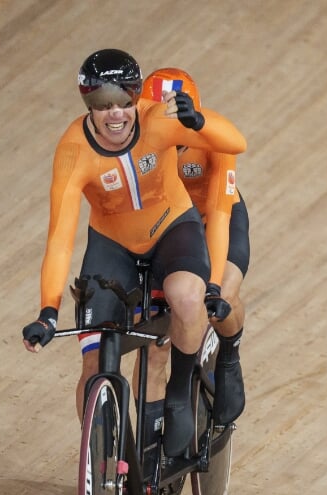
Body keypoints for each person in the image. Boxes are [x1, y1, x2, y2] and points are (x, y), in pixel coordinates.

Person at [21, 48, 246, 462]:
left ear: (136, 99)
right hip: (112, 246)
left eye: (124, 102)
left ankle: (180, 392)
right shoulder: (73, 151)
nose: (115, 115)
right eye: (102, 106)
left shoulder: (157, 119)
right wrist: (47, 311)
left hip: (173, 229)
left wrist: (200, 122)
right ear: (87, 105)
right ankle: (103, 466)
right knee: (93, 365)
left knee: (187, 298)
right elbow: (60, 238)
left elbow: (236, 142)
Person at [136, 67, 250, 438]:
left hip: (214, 216)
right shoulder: (136, 137)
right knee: (154, 337)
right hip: (168, 226)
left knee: (224, 296)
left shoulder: (211, 139)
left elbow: (219, 215)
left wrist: (214, 285)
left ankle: (229, 354)